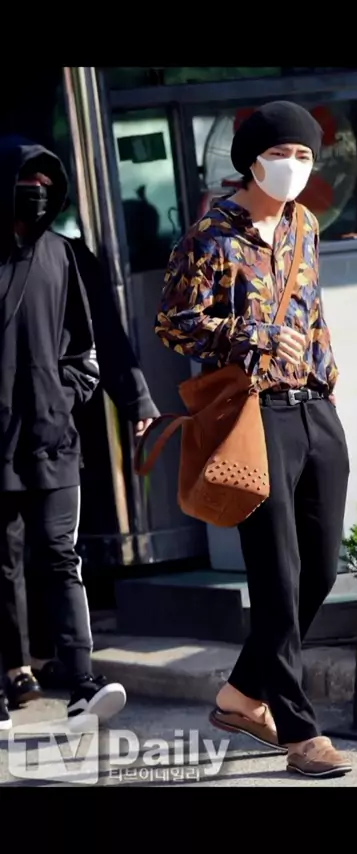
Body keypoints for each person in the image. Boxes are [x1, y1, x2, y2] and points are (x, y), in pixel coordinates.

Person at [154, 101, 351, 778]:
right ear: (251, 161)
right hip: (254, 413)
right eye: (280, 154)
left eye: (304, 156)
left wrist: (327, 377)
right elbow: (173, 323)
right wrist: (252, 334)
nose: (293, 166)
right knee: (276, 576)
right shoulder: (210, 235)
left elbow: (313, 310)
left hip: (315, 406)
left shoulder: (305, 224)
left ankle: (240, 695)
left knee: (321, 570)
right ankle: (299, 734)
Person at [0, 135, 126, 731]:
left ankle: (82, 684)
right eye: (29, 180)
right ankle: (9, 678)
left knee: (60, 556)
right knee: (3, 566)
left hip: (53, 443)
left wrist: (60, 396)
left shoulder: (64, 256)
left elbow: (86, 350)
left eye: (49, 183)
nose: (40, 191)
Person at [8, 235, 160, 703]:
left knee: (58, 551)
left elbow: (100, 336)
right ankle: (17, 669)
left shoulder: (67, 255)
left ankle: (70, 672)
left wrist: (134, 398)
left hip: (56, 433)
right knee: (8, 556)